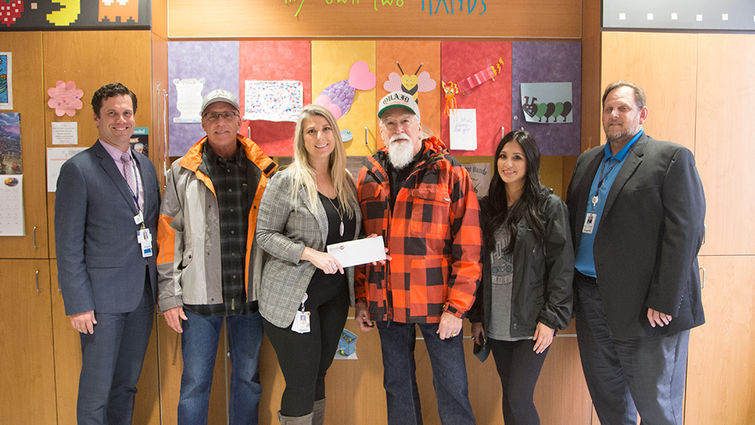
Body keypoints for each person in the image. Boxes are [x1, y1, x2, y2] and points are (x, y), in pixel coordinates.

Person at [566, 81, 706, 425]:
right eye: (609, 108)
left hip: (648, 309)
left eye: (623, 108)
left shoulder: (670, 158)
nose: (614, 115)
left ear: (641, 114)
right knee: (610, 404)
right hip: (591, 303)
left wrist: (665, 299)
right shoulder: (587, 162)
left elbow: (686, 233)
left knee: (658, 408)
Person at [354, 91, 482, 425]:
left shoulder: (450, 172)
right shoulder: (367, 175)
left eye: (405, 121)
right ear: (381, 130)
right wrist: (363, 298)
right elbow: (361, 244)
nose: (398, 128)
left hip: (438, 307)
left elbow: (468, 249)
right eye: (390, 122)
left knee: (453, 390)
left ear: (419, 125)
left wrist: (457, 308)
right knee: (397, 388)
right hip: (387, 305)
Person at [156, 89, 277, 425]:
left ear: (240, 121)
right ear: (203, 123)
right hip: (198, 298)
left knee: (248, 382)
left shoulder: (265, 170)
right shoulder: (181, 172)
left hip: (251, 298)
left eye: (227, 115)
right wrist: (169, 297)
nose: (221, 122)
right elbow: (169, 237)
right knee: (194, 384)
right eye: (213, 116)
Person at [55, 82, 160, 425]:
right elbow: (68, 244)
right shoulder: (79, 169)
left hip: (142, 297)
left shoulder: (145, 166)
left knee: (126, 387)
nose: (121, 120)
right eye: (112, 113)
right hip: (100, 305)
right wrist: (79, 303)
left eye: (127, 113)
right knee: (96, 392)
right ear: (97, 118)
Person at [255, 104, 362, 425]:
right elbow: (265, 235)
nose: (320, 136)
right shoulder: (286, 181)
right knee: (301, 380)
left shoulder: (344, 180)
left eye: (326, 129)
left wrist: (370, 252)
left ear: (335, 134)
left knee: (317, 374)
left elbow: (348, 235)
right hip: (292, 299)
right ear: (301, 139)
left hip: (333, 298)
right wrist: (309, 253)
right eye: (311, 131)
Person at [468, 130, 573, 425]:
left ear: (531, 162)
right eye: (503, 156)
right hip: (497, 322)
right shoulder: (488, 208)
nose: (508, 163)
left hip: (532, 323)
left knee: (519, 397)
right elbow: (476, 265)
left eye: (517, 157)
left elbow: (562, 268)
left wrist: (551, 319)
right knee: (510, 398)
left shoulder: (549, 207)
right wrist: (477, 317)